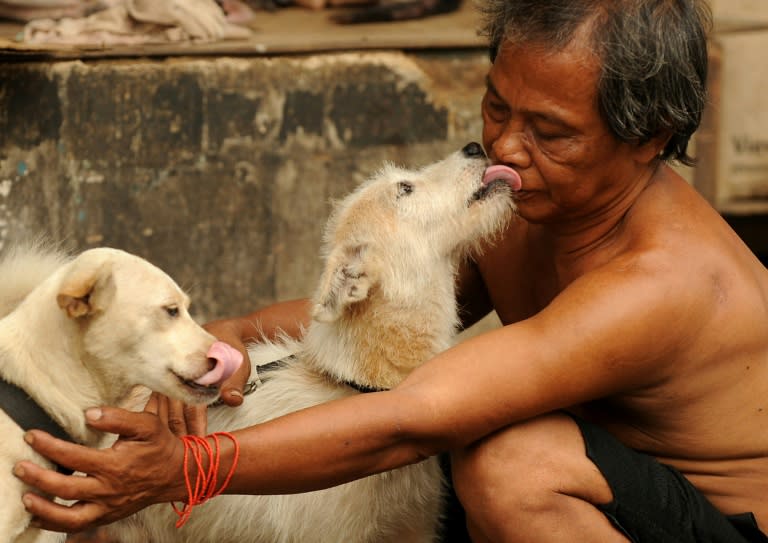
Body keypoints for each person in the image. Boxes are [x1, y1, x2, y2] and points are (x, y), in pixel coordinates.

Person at [13, 1, 768, 541]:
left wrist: (191, 466)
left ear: (650, 137)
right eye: (495, 106)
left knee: (508, 460)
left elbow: (412, 420)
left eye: (549, 131)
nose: (504, 147)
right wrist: (215, 348)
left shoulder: (661, 279)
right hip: (608, 485)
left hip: (708, 519)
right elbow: (364, 318)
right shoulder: (528, 203)